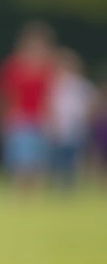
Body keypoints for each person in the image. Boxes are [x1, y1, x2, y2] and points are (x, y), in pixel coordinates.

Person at [0, 22, 54, 190]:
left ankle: (35, 196)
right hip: (19, 119)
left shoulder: (47, 69)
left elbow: (50, 97)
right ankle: (18, 193)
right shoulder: (12, 67)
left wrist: (51, 119)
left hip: (40, 119)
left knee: (38, 161)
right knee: (20, 160)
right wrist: (3, 119)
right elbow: (4, 96)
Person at [46, 48, 95, 190]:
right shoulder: (54, 85)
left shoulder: (80, 85)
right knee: (58, 158)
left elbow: (89, 105)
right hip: (58, 128)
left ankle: (68, 185)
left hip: (75, 128)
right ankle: (57, 184)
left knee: (72, 158)